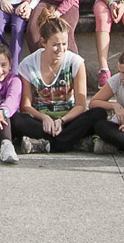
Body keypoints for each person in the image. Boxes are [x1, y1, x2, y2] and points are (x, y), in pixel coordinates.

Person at [12, 11, 103, 153]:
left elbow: (80, 105)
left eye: (64, 44)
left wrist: (61, 121)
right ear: (43, 42)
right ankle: (72, 142)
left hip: (68, 119)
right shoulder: (28, 64)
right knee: (17, 120)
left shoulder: (76, 62)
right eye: (55, 45)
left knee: (99, 114)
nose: (61, 49)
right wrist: (44, 118)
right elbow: (26, 106)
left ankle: (47, 145)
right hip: (41, 121)